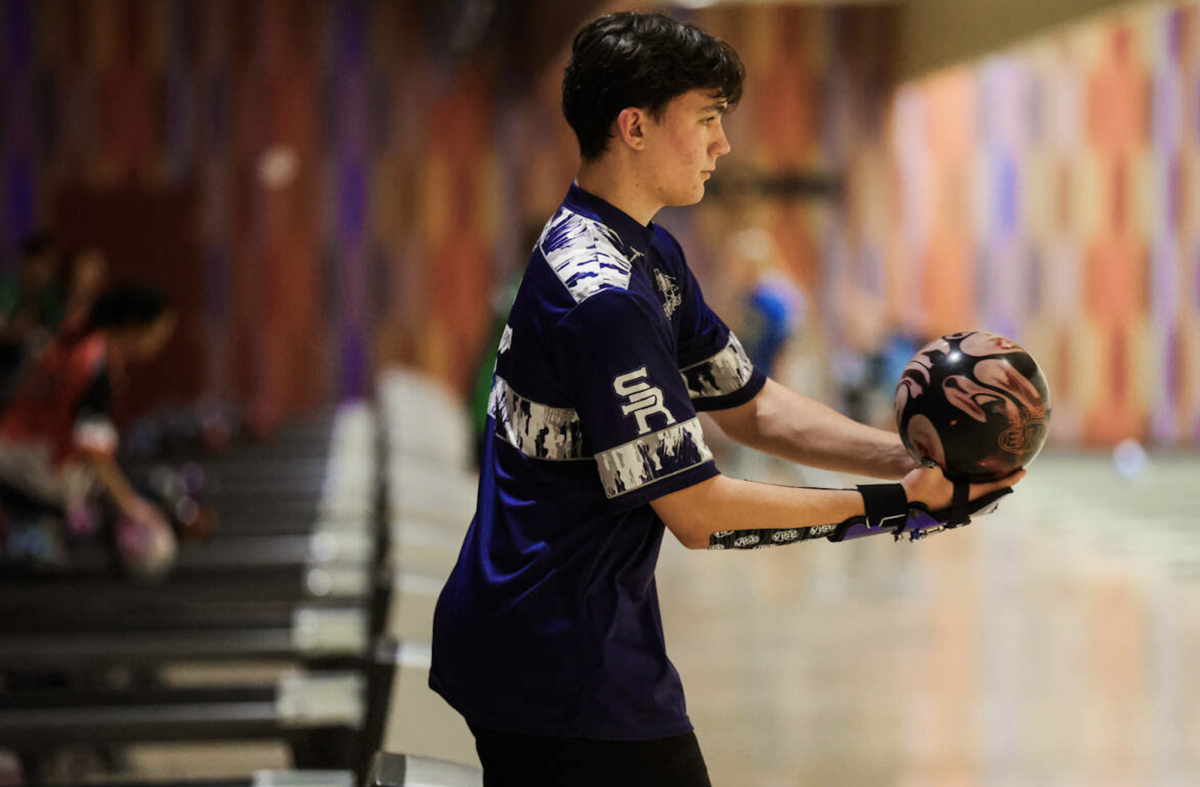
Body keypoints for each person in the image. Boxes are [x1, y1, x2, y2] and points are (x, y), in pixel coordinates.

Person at [429, 12, 1024, 786]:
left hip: (556, 635)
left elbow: (752, 405)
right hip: (559, 660)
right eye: (708, 119)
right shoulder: (602, 296)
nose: (724, 144)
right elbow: (698, 514)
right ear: (635, 127)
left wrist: (913, 459)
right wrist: (892, 505)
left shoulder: (643, 249)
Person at [0, 282, 177, 574]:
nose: (160, 343)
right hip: (31, 471)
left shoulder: (78, 337)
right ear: (134, 325)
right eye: (159, 332)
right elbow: (92, 451)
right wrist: (131, 506)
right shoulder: (95, 363)